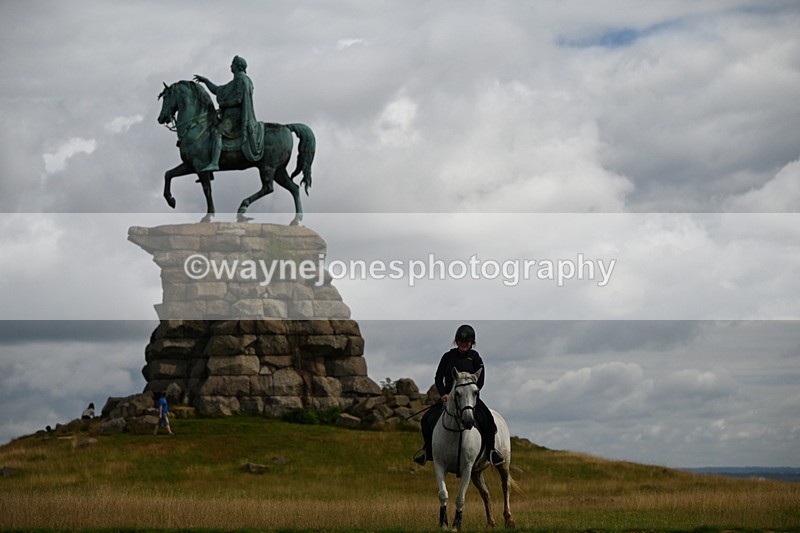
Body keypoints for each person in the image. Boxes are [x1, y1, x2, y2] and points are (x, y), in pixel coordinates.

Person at [414, 324, 504, 466]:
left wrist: (472, 394)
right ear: (456, 342)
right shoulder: (448, 357)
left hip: (470, 400)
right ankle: (428, 451)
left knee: (488, 419)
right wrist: (443, 393)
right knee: (427, 418)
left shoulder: (476, 358)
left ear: (472, 343)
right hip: (450, 398)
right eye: (461, 342)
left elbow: (481, 380)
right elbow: (438, 377)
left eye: (466, 343)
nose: (463, 345)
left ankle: (492, 451)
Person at [193, 55, 265, 171]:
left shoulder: (242, 80)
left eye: (232, 64)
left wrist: (224, 104)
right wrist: (206, 81)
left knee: (217, 132)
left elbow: (239, 99)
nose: (230, 66)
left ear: (237, 66)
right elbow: (217, 90)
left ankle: (215, 163)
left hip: (235, 118)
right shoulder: (234, 82)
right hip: (228, 116)